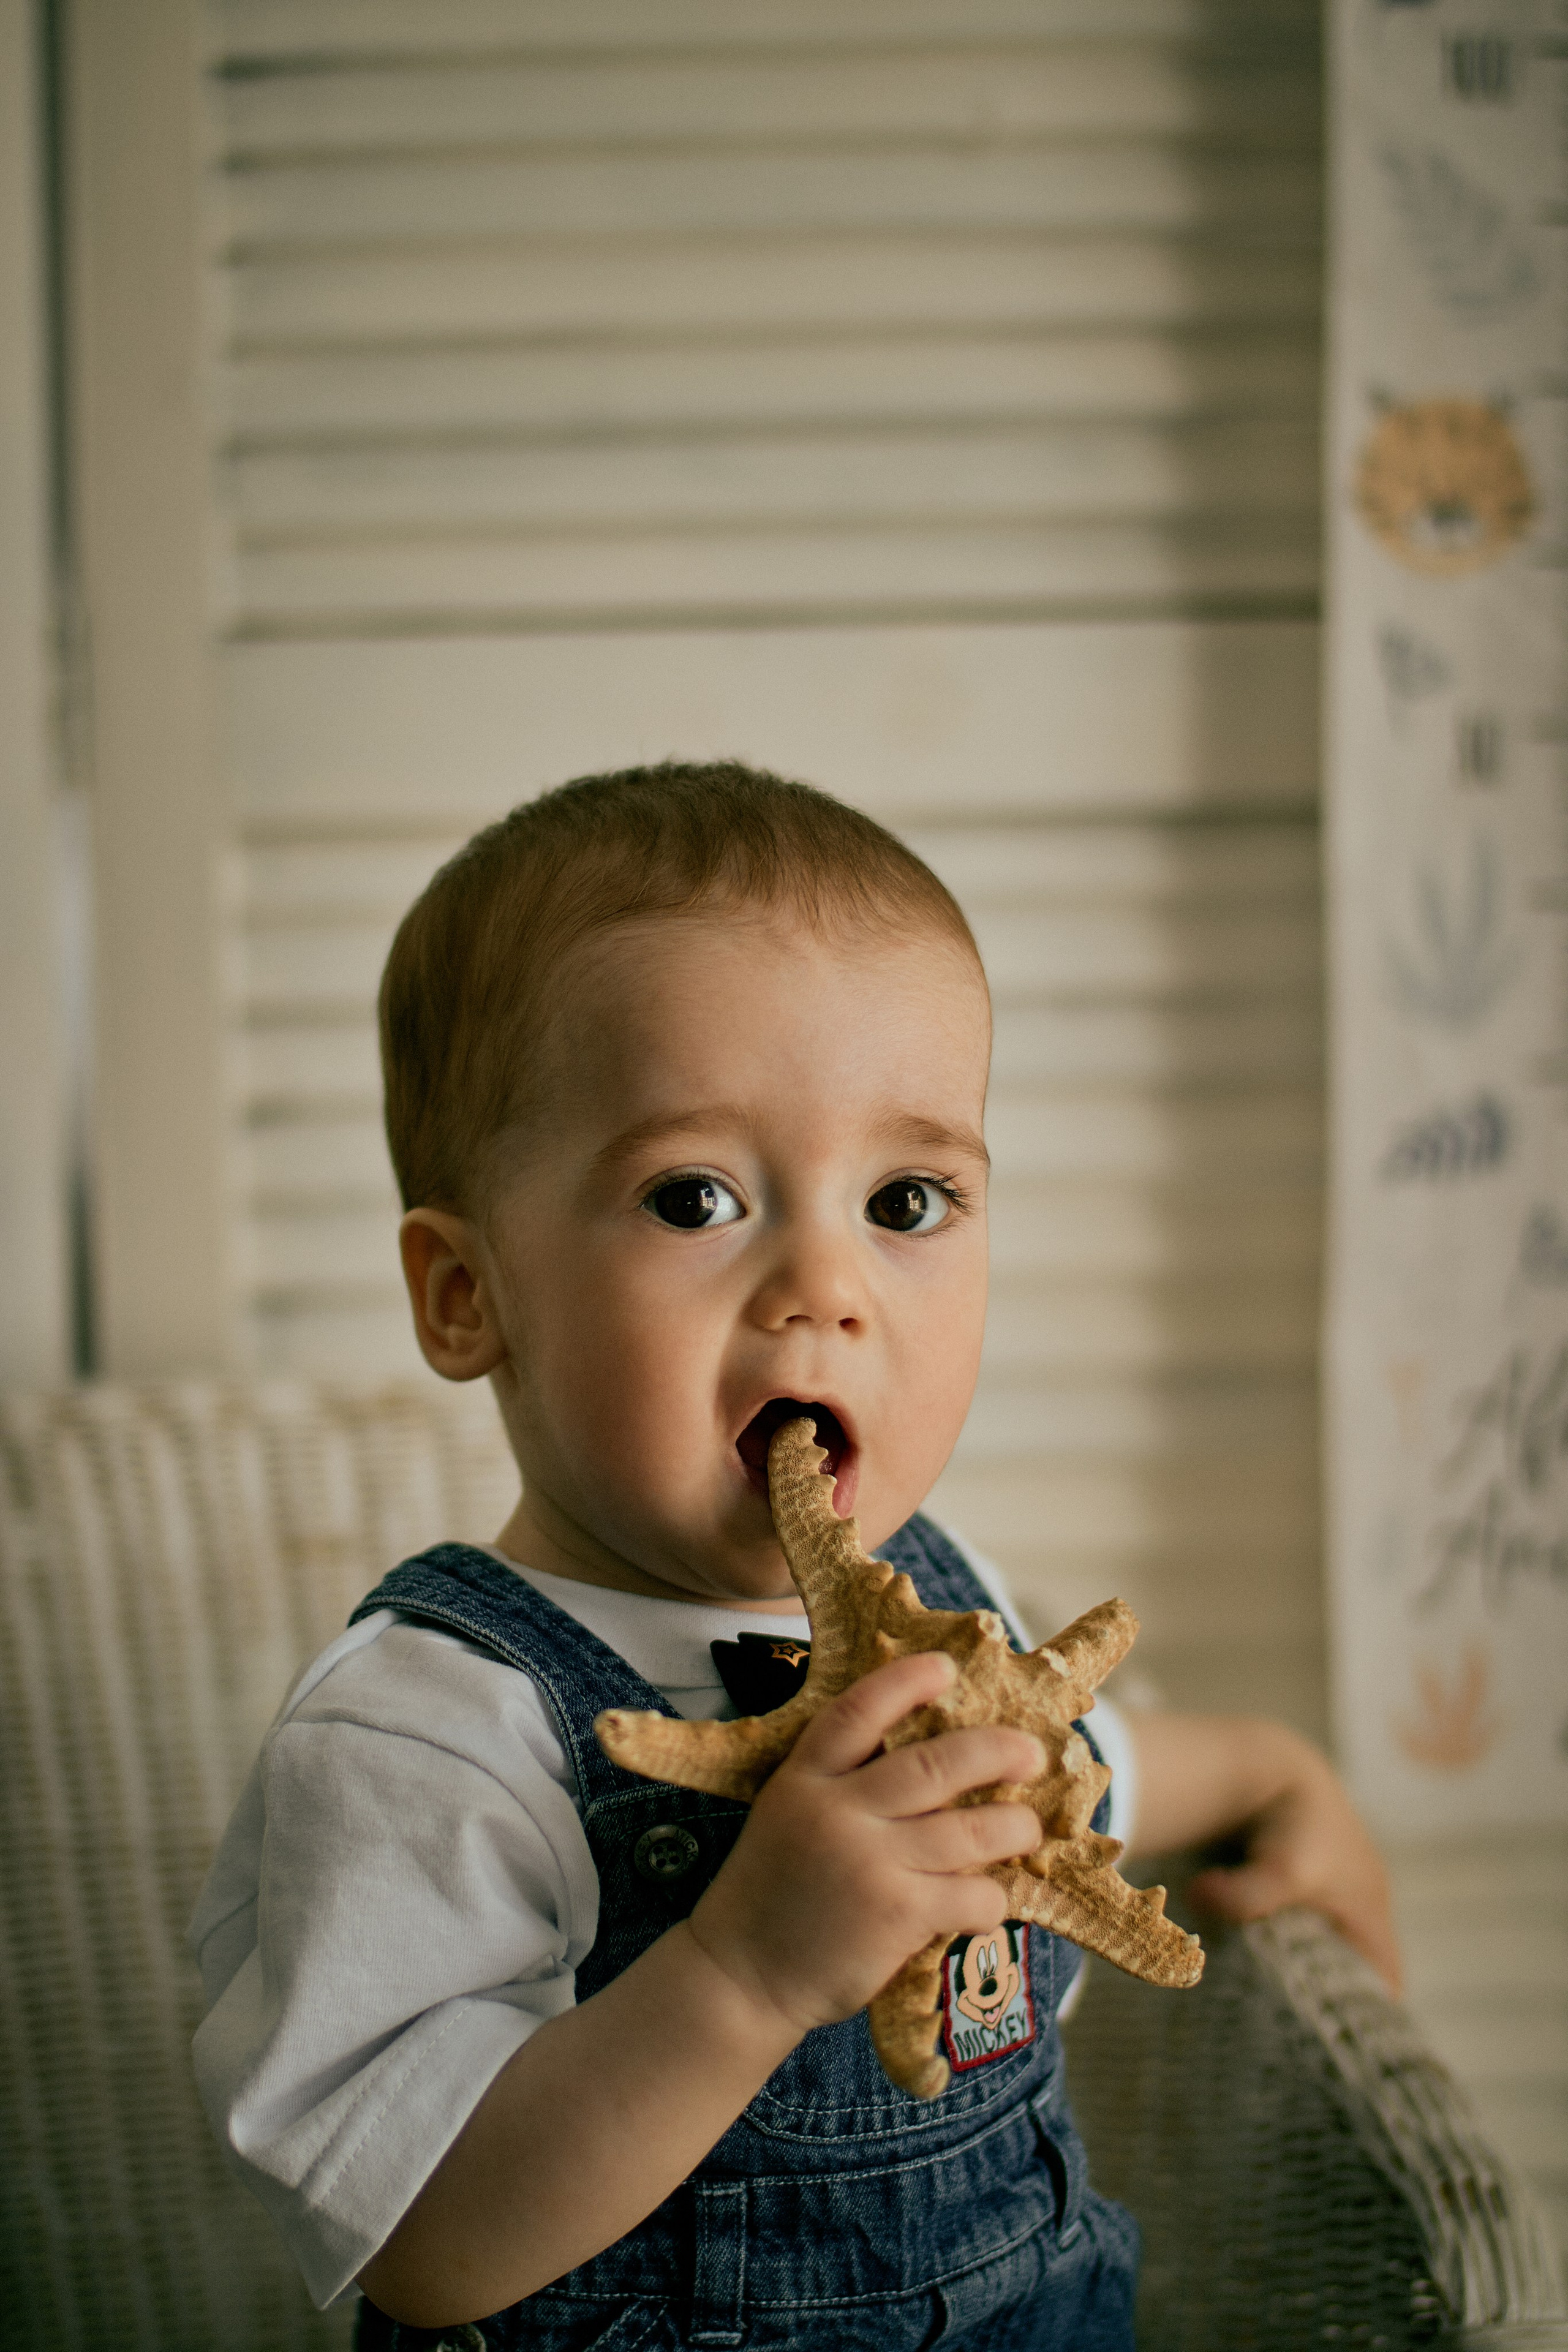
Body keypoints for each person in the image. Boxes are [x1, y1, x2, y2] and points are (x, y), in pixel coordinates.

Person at [190, 761, 1398, 2351]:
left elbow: (1072, 1775)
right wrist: (743, 1975)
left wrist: (1280, 1774)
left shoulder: (944, 1598)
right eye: (696, 1197)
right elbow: (421, 2242)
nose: (827, 1284)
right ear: (466, 1297)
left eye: (908, 1198)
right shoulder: (435, 1735)